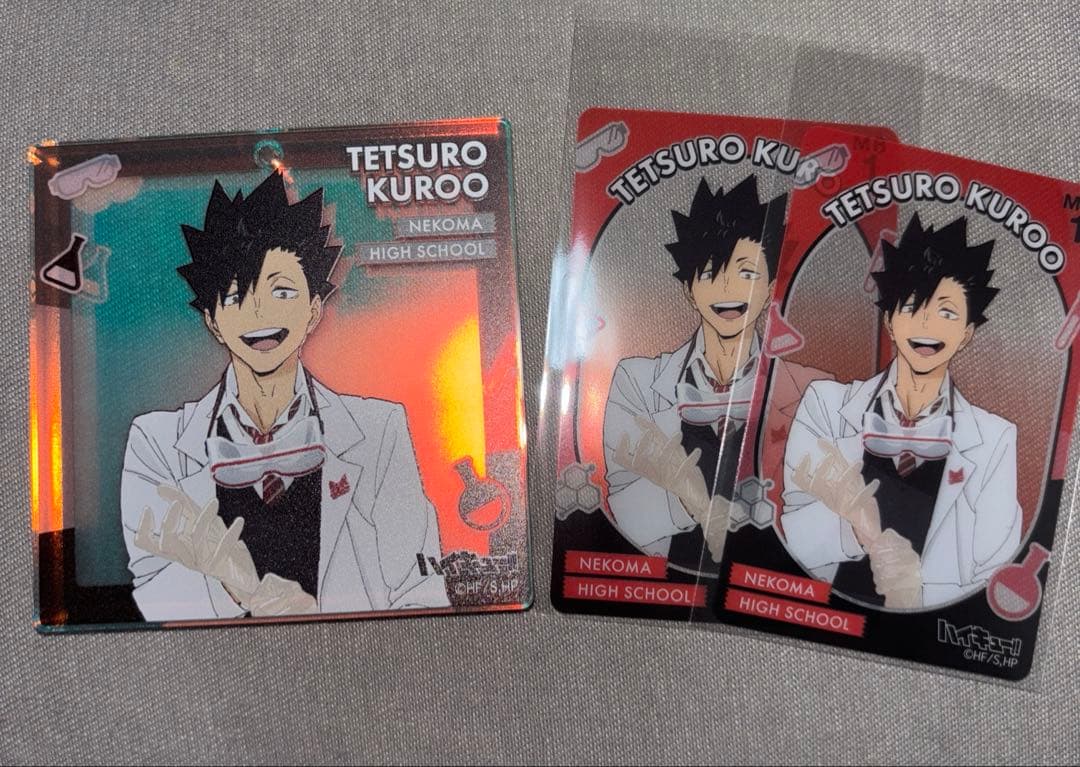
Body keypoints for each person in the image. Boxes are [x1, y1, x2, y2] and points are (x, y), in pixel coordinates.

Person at [121, 173, 449, 621]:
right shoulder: (157, 442)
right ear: (213, 320)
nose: (259, 312)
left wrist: (323, 617)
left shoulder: (379, 432)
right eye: (235, 296)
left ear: (313, 310)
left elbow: (422, 590)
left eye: (282, 291)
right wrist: (238, 591)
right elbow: (152, 589)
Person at [781, 213, 1021, 608]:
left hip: (925, 630)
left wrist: (914, 591)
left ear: (967, 333)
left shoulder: (995, 440)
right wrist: (858, 530)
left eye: (947, 312)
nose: (927, 324)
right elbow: (792, 536)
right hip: (827, 613)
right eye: (911, 306)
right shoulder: (825, 404)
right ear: (890, 321)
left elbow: (993, 574)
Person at [605, 175, 826, 572]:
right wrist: (691, 502)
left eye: (747, 273)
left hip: (766, 583)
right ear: (689, 290)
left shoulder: (807, 391)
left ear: (770, 288)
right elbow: (624, 512)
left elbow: (818, 524)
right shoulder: (637, 382)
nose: (728, 288)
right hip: (667, 585)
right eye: (710, 273)